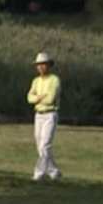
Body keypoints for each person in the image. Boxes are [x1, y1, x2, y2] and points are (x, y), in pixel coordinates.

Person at [26, 52, 62, 181]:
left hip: (50, 114)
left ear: (48, 65)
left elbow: (50, 99)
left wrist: (38, 98)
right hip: (38, 115)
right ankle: (54, 171)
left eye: (43, 64)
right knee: (39, 145)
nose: (40, 67)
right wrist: (40, 97)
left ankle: (39, 173)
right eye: (38, 65)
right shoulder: (36, 81)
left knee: (45, 144)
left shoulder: (54, 80)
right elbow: (29, 98)